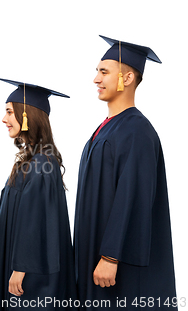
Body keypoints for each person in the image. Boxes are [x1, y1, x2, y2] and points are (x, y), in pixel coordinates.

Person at [74, 35, 177, 309]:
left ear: (127, 78)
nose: (96, 79)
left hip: (117, 265)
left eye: (104, 72)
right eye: (97, 71)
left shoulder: (137, 130)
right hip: (93, 256)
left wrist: (110, 256)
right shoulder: (105, 129)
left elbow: (132, 196)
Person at [0, 79, 77, 310]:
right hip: (21, 269)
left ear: (26, 115)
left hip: (30, 277)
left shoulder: (41, 165)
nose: (4, 119)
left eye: (10, 112)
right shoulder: (34, 161)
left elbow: (36, 222)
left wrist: (20, 268)